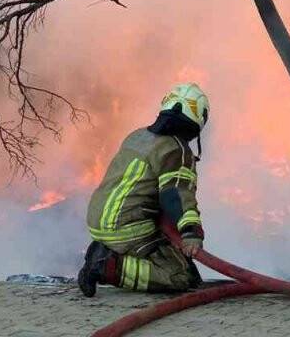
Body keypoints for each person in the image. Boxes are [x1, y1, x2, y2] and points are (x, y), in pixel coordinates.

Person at [77, 82, 210, 297]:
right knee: (179, 276)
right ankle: (107, 266)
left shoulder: (138, 136)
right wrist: (191, 234)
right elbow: (175, 196)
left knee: (179, 262)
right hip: (126, 227)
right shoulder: (176, 149)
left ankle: (106, 253)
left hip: (98, 219)